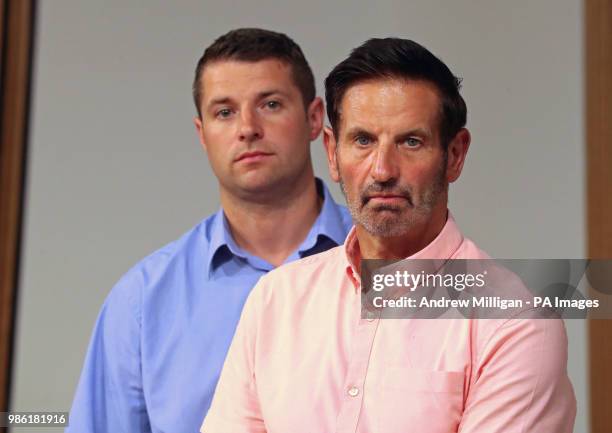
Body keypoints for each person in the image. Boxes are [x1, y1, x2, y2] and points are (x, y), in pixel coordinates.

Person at [201, 38, 576, 433]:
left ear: (455, 155)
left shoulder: (516, 322)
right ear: (331, 152)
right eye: (363, 141)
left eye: (410, 142)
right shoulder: (275, 300)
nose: (382, 170)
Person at [66, 28, 352, 433]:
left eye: (270, 104)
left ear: (313, 118)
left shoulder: (403, 265)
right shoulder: (142, 304)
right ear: (203, 134)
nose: (248, 128)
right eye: (224, 112)